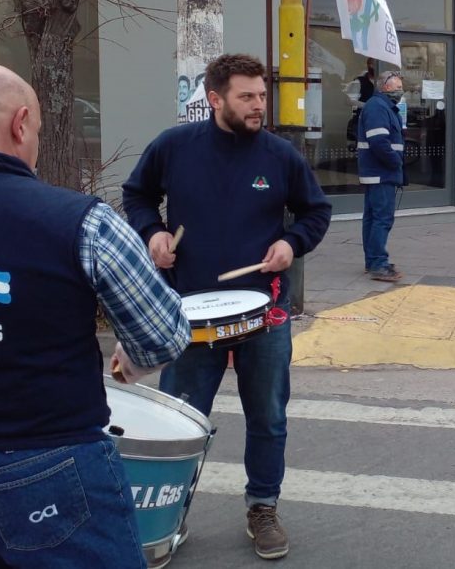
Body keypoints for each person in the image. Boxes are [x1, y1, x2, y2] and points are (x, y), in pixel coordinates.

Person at [0, 64, 189, 568]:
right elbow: (162, 337)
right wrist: (130, 357)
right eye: (37, 131)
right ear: (20, 124)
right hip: (45, 466)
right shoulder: (80, 220)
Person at [123, 53, 332, 561]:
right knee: (182, 423)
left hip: (265, 313)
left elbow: (316, 210)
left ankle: (263, 506)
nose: (259, 105)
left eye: (262, 95)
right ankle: (168, 519)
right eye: (247, 97)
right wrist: (152, 234)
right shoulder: (174, 147)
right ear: (216, 99)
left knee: (268, 418)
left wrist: (292, 243)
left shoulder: (280, 156)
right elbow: (138, 195)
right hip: (190, 314)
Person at [358, 70, 406, 282]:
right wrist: (397, 163)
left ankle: (373, 261)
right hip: (382, 172)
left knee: (372, 218)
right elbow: (379, 142)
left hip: (376, 172)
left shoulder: (381, 106)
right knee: (382, 218)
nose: (400, 91)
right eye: (397, 88)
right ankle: (378, 263)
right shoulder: (378, 107)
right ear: (385, 87)